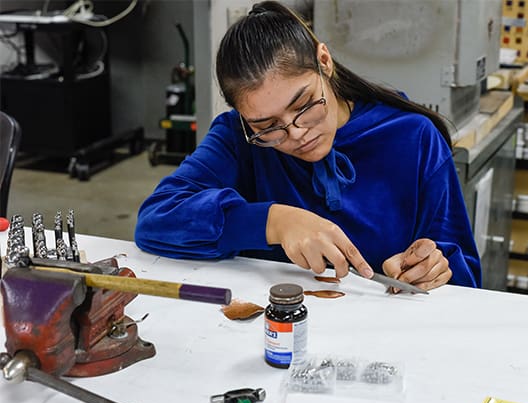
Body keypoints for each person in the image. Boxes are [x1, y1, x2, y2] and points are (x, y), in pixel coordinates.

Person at [135, 1, 481, 291]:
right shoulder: (237, 139)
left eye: (304, 105)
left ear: (324, 62)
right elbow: (156, 220)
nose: (296, 133)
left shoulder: (413, 137)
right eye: (267, 126)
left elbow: (464, 271)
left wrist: (433, 267)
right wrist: (274, 221)